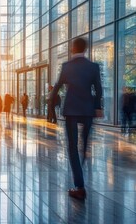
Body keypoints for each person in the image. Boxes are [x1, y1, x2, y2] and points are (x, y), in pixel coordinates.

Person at [50, 37, 103, 200]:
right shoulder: (93, 67)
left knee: (72, 147)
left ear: (73, 48)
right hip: (88, 110)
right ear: (85, 49)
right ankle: (83, 161)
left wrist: (51, 109)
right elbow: (98, 89)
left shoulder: (67, 67)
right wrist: (98, 107)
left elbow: (57, 87)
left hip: (71, 110)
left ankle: (80, 186)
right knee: (84, 145)